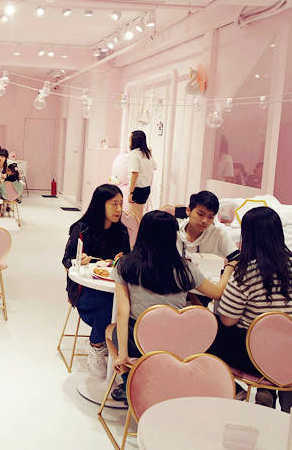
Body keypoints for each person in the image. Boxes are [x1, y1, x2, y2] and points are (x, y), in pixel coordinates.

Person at [105, 210, 232, 399]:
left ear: (142, 234)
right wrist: (228, 269)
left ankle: (128, 380)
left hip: (140, 342)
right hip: (177, 344)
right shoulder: (185, 269)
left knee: (110, 330)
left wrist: (122, 354)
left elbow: (123, 312)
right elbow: (217, 293)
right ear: (173, 237)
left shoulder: (125, 265)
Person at [207, 207, 292, 411]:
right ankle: (268, 390)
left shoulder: (246, 273)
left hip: (255, 357)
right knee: (273, 336)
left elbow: (228, 320)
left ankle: (236, 389)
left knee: (208, 327)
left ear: (248, 236)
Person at [61, 184, 131, 376]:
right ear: (101, 204)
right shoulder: (82, 229)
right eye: (114, 204)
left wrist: (120, 260)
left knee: (127, 304)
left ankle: (111, 341)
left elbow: (128, 260)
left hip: (114, 286)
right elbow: (66, 260)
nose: (119, 209)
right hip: (84, 288)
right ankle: (96, 345)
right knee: (106, 304)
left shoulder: (122, 231)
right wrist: (77, 261)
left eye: (121, 204)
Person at [176, 191, 239, 262]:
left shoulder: (218, 234)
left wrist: (226, 269)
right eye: (200, 214)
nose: (205, 221)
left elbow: (237, 258)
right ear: (188, 211)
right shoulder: (175, 230)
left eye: (210, 217)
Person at [127, 130, 157, 221]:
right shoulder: (147, 154)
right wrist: (150, 153)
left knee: (133, 218)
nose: (129, 141)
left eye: (130, 139)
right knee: (138, 215)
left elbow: (135, 173)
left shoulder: (134, 154)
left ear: (134, 141)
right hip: (146, 189)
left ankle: (138, 230)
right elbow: (155, 167)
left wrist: (131, 193)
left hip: (138, 189)